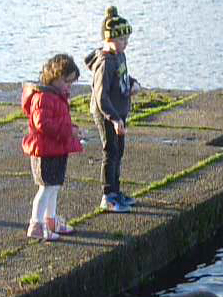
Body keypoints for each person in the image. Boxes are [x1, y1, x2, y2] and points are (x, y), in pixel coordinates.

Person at [85, 5, 141, 213]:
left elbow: (123, 78)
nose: (125, 44)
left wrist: (133, 84)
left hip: (119, 111)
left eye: (127, 40)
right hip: (107, 113)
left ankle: (116, 192)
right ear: (109, 39)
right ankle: (107, 195)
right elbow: (100, 96)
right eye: (121, 40)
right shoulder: (105, 62)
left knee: (120, 151)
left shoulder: (120, 56)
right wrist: (114, 119)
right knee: (111, 151)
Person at [22, 53, 83, 240]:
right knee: (46, 187)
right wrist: (68, 131)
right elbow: (43, 124)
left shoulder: (56, 96)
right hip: (45, 151)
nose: (69, 87)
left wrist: (69, 130)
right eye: (67, 82)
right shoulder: (44, 97)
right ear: (55, 77)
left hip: (55, 148)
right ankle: (36, 224)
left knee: (54, 186)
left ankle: (51, 219)